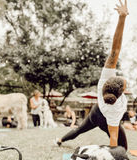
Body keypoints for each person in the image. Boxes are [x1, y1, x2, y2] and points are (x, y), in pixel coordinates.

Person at [55, 0, 129, 149]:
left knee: (79, 130)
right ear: (122, 92)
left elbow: (115, 50)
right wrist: (113, 156)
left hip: (96, 112)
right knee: (122, 148)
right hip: (105, 116)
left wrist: (122, 18)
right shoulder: (115, 108)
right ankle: (99, 151)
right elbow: (113, 137)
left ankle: (60, 140)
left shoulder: (105, 81)